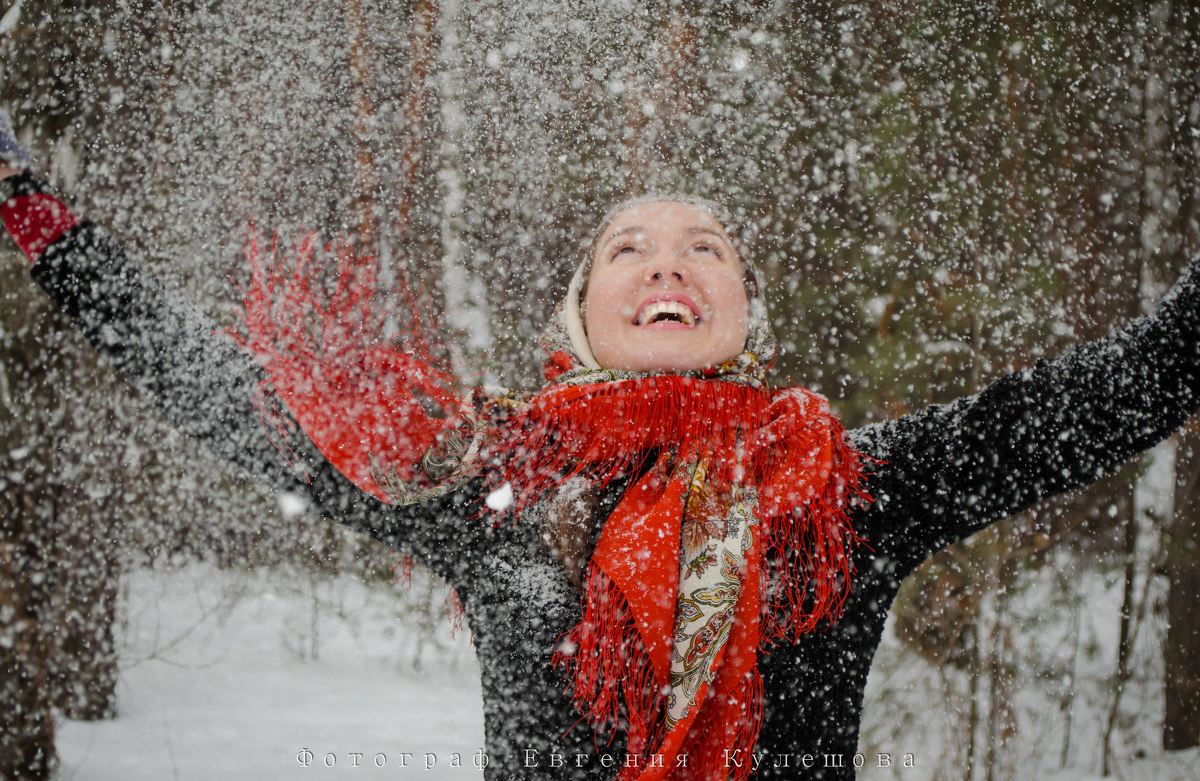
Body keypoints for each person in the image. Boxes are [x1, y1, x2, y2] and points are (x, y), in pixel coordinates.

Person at [2, 110, 1199, 780]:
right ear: (581, 311)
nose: (669, 261)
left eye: (706, 246)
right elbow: (223, 393)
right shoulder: (486, 481)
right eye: (630, 246)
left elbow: (1121, 390)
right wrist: (36, 215)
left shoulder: (848, 483)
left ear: (742, 311)